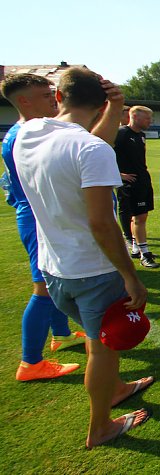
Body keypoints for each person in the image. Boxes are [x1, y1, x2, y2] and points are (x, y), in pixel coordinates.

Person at [13, 67, 151, 449]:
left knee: (97, 338)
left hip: (53, 266)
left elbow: (87, 148)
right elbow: (102, 224)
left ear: (58, 97)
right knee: (103, 348)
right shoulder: (90, 148)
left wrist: (113, 107)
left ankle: (118, 387)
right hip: (92, 270)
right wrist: (130, 275)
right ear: (103, 103)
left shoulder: (26, 133)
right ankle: (100, 426)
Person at [1, 74, 85, 381]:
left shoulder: (22, 132)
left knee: (52, 282)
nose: (54, 99)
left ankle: (60, 334)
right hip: (38, 219)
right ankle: (31, 363)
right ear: (24, 101)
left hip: (37, 215)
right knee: (43, 289)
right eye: (45, 95)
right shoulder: (25, 135)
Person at [115, 105, 159, 268]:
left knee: (139, 217)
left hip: (142, 181)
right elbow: (104, 156)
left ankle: (136, 246)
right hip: (129, 185)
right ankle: (144, 254)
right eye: (147, 118)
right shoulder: (121, 134)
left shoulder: (140, 135)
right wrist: (120, 175)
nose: (150, 121)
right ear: (136, 117)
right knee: (140, 218)